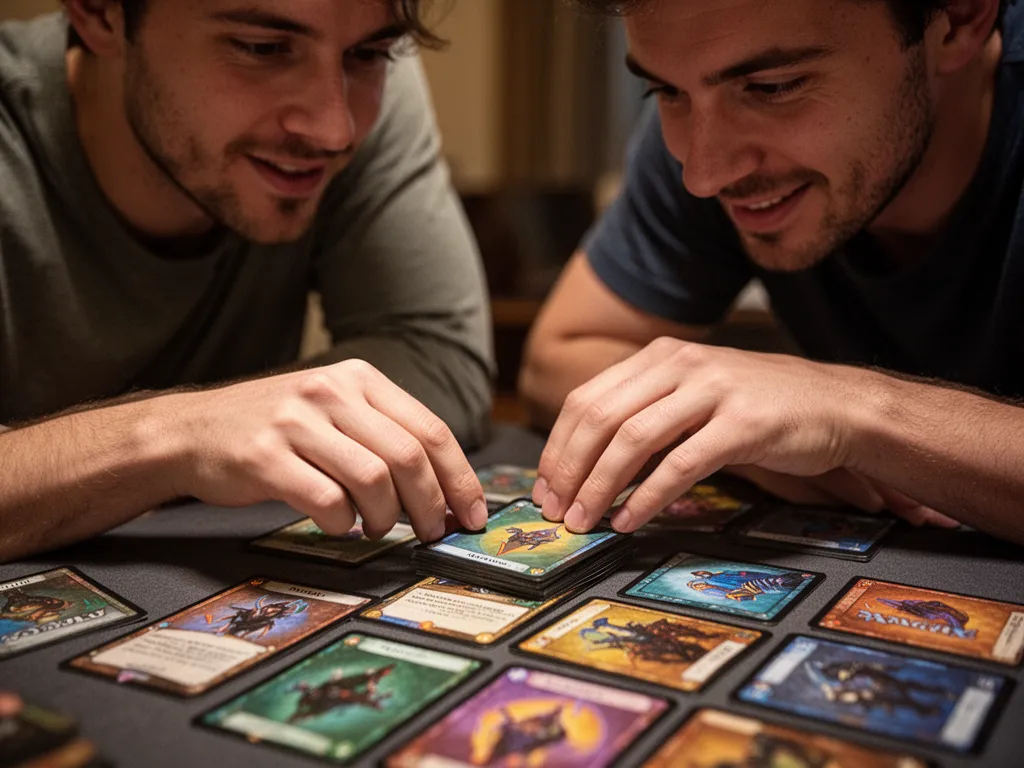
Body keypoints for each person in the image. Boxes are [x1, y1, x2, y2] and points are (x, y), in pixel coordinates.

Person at [0, 0, 495, 563]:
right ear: (100, 13)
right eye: (262, 48)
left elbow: (437, 354)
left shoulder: (353, 86)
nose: (335, 129)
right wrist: (178, 435)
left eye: (370, 53)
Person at [519, 0, 1024, 545]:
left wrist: (852, 413)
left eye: (774, 87)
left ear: (960, 21)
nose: (703, 175)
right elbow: (559, 355)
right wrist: (727, 434)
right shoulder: (707, 111)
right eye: (665, 91)